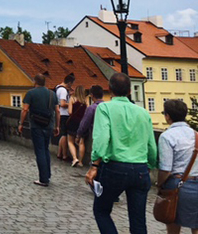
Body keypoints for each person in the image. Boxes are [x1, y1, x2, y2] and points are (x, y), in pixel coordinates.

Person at [85, 72, 157, 234]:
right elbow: (151, 145)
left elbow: (102, 138)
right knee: (138, 221)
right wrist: (150, 165)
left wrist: (94, 164)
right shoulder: (143, 113)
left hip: (114, 168)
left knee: (102, 211)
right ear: (130, 91)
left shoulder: (104, 108)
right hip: (140, 169)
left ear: (109, 90)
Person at [157, 99, 198, 234]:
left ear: (167, 116)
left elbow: (166, 169)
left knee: (172, 221)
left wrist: (160, 184)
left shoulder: (167, 136)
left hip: (178, 186)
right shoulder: (196, 135)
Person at [18, 74, 60, 187]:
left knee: (40, 151)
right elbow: (57, 111)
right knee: (46, 150)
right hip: (49, 125)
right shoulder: (52, 94)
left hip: (36, 125)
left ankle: (43, 179)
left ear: (35, 82)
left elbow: (25, 109)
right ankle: (48, 174)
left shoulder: (31, 93)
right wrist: (57, 126)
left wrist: (21, 123)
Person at [75, 85, 104, 155]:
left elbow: (84, 123)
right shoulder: (107, 107)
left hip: (94, 134)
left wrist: (78, 135)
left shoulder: (91, 108)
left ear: (92, 95)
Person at [66, 85, 88, 167]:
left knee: (70, 141)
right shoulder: (85, 101)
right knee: (81, 142)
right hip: (82, 123)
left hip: (73, 122)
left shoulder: (72, 99)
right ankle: (81, 161)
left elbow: (70, 112)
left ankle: (74, 158)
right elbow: (87, 113)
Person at [56, 74, 75, 161]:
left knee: (63, 134)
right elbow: (63, 104)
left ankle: (60, 153)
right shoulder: (63, 91)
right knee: (64, 135)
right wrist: (71, 104)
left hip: (61, 114)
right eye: (72, 84)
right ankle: (64, 155)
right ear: (69, 83)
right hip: (64, 115)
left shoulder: (58, 88)